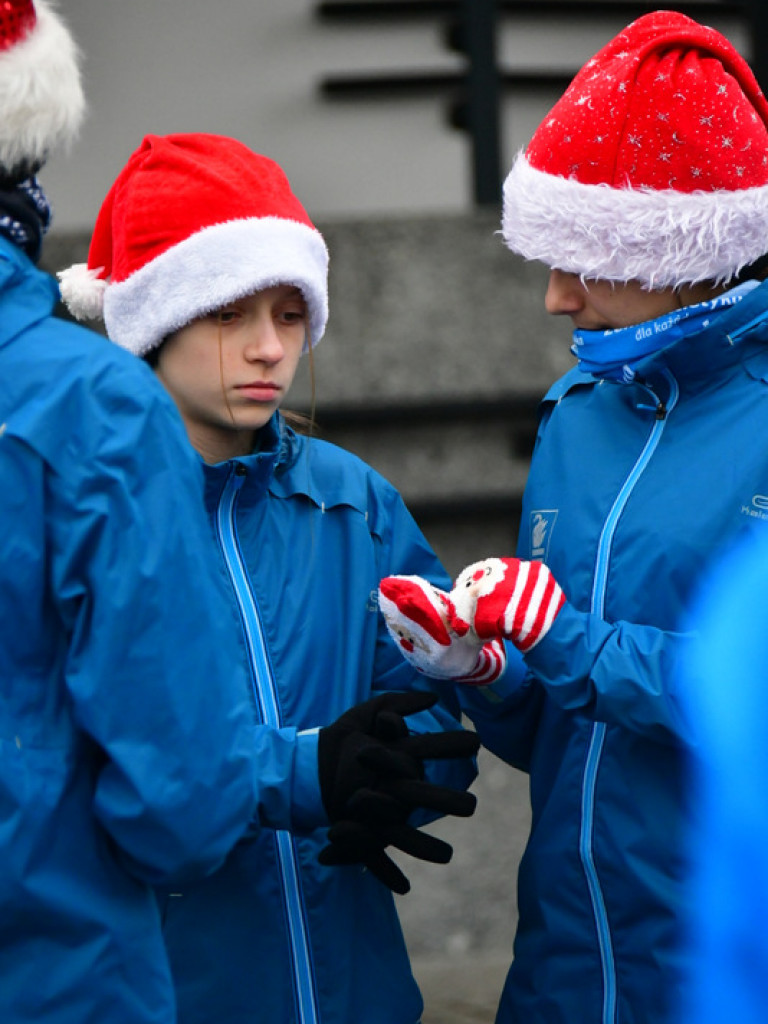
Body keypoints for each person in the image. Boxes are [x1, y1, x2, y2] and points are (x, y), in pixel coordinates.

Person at [0, 6, 478, 1022]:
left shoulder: (353, 502)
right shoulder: (97, 490)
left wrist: (402, 761)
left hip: (357, 989)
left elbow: (428, 701)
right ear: (153, 314)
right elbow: (135, 777)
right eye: (228, 311)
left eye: (290, 311)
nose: (268, 346)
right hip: (177, 988)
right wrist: (303, 770)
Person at [376, 10, 768, 1024]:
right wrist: (489, 669)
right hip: (560, 976)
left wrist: (569, 639)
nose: (554, 299)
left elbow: (745, 703)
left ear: (682, 246)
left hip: (717, 978)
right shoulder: (574, 418)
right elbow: (562, 732)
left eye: (583, 258)